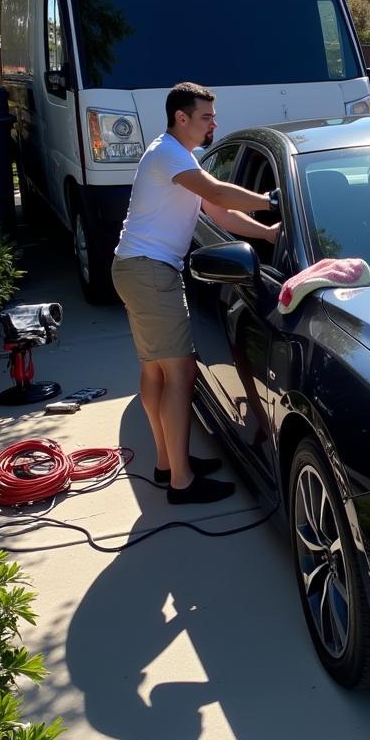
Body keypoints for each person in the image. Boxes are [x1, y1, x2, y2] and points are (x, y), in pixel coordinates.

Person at [112, 81, 280, 505]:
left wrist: (267, 232)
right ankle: (182, 483)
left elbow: (219, 210)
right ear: (180, 117)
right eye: (205, 116)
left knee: (155, 369)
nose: (213, 123)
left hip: (139, 269)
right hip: (150, 272)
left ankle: (169, 463)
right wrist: (275, 200)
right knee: (181, 372)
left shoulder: (179, 157)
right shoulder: (168, 152)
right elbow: (220, 193)